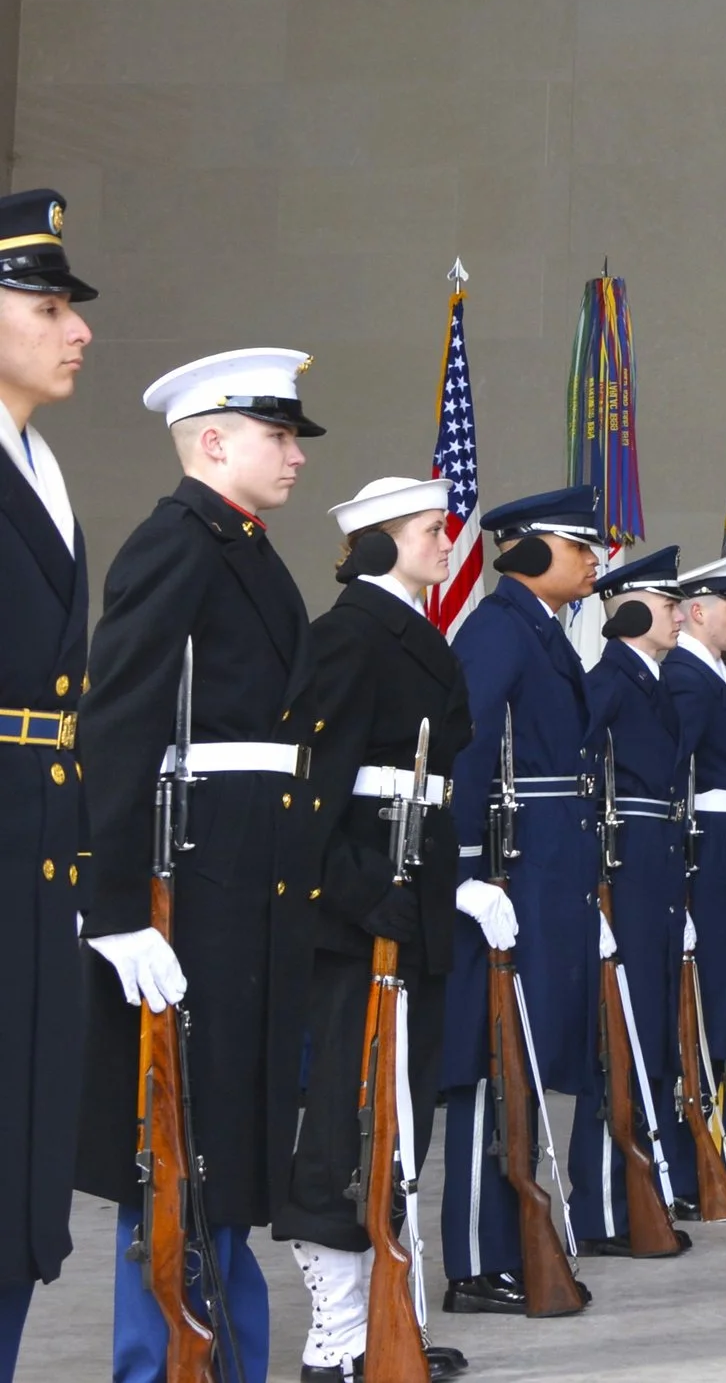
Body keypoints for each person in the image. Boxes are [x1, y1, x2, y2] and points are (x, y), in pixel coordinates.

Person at [78, 348, 323, 1383]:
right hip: (200, 879)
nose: (296, 456)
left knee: (222, 1136)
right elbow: (121, 721)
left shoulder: (249, 548)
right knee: (179, 1141)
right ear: (214, 438)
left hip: (245, 881)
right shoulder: (181, 542)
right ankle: (164, 1359)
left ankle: (223, 1355)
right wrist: (116, 904)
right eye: (278, 435)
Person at [279, 475, 476, 1381]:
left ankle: (387, 1321)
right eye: (433, 530)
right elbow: (312, 794)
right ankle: (336, 1335)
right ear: (378, 542)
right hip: (366, 912)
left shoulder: (414, 630)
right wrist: (360, 895)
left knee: (404, 1118)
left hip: (419, 894)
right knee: (346, 1125)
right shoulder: (349, 634)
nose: (447, 543)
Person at [437, 485, 604, 1314]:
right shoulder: (502, 628)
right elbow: (467, 750)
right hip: (512, 874)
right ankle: (476, 1254)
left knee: (525, 1059)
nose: (592, 560)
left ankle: (510, 1238)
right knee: (495, 1056)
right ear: (534, 551)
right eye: (580, 547)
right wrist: (466, 869)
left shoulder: (545, 630)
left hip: (549, 873)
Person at [0, 190, 91, 1380]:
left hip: (39, 841)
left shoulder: (41, 460)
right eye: (51, 304)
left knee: (26, 1153)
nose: (76, 330)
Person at [577, 544, 698, 1248]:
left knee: (650, 1033)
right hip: (623, 873)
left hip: (655, 873)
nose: (679, 614)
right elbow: (582, 767)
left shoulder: (651, 680)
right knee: (615, 1041)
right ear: (627, 609)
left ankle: (640, 1191)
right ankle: (599, 1213)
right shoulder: (612, 678)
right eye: (665, 602)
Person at [663, 557, 726, 1186]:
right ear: (697, 611)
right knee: (712, 991)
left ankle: (725, 1139)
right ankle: (705, 1148)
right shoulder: (686, 675)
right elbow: (677, 772)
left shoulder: (715, 674)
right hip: (709, 846)